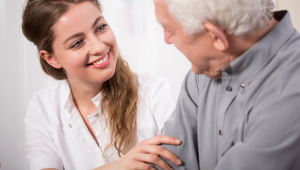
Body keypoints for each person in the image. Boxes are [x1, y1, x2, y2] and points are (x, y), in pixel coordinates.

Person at [22, 0, 183, 169]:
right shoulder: (42, 108)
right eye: (77, 42)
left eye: (100, 28)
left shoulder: (154, 92)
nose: (99, 47)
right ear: (51, 58)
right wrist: (120, 165)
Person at [152, 0, 300, 169]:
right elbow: (165, 162)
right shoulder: (204, 72)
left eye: (170, 29)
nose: (166, 39)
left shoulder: (291, 92)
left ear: (216, 38)